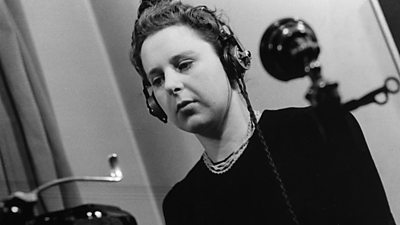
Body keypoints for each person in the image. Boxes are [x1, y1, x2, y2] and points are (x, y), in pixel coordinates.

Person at [130, 0, 395, 224]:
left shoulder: (314, 132)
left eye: (184, 64)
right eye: (157, 80)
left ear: (229, 60)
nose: (172, 85)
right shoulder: (180, 205)